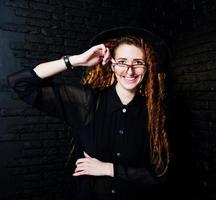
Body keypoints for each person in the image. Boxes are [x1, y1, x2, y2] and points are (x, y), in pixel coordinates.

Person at [7, 26, 170, 200]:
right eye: (122, 61)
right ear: (112, 65)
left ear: (146, 68)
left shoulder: (155, 113)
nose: (129, 70)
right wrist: (76, 61)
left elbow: (160, 174)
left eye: (138, 62)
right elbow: (20, 83)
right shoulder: (87, 102)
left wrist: (109, 169)